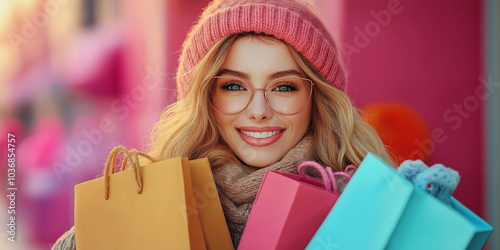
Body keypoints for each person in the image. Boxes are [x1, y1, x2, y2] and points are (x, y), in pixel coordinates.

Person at [52, 0, 395, 248]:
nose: (259, 110)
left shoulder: (363, 206)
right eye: (233, 86)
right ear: (205, 97)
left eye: (284, 86)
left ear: (317, 98)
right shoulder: (152, 198)